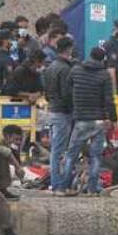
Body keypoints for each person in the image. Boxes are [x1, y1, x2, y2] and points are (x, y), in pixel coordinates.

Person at [64, 47, 118, 196]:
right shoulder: (104, 75)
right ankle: (92, 190)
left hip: (81, 118)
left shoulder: (76, 70)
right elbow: (109, 100)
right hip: (99, 120)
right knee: (96, 156)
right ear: (103, 59)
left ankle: (65, 187)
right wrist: (113, 119)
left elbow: (67, 90)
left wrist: (73, 106)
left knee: (71, 155)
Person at [43, 36, 76, 196]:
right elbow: (67, 94)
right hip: (63, 113)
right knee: (59, 151)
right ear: (69, 49)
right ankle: (58, 186)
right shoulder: (65, 69)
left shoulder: (50, 67)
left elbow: (47, 92)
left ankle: (56, 184)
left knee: (55, 150)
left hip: (52, 110)